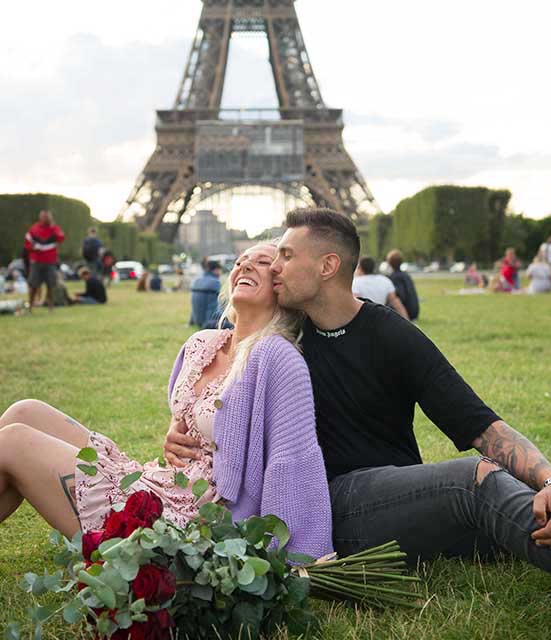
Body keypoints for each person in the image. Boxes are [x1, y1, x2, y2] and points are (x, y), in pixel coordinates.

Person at [165, 208, 551, 574]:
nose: (275, 268)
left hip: (394, 497)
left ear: (327, 266)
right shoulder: (277, 340)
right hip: (325, 504)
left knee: (493, 511)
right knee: (474, 481)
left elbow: (480, 424)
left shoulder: (389, 333)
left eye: (285, 256)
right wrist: (180, 433)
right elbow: (223, 406)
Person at [0, 243, 333, 559]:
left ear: (282, 287)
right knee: (24, 410)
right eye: (240, 261)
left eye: (262, 262)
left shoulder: (278, 356)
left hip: (192, 519)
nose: (244, 264)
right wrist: (173, 437)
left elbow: (292, 459)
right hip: (164, 482)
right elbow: (188, 425)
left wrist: (294, 554)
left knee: (11, 442)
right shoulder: (203, 343)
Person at [23, 211, 65, 314]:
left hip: (50, 261)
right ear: (40, 218)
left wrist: (53, 228)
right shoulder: (34, 229)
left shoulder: (55, 228)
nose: (46, 219)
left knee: (51, 285)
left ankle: (51, 307)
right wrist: (33, 249)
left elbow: (61, 238)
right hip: (36, 261)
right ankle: (30, 306)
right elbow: (27, 244)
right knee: (33, 285)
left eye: (48, 217)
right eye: (44, 217)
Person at [385, 250, 420, 321]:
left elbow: (401, 297)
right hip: (414, 312)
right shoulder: (406, 275)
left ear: (389, 263)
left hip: (407, 313)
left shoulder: (394, 278)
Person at [189, 260, 223, 328]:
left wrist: (191, 322)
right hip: (209, 322)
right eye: (219, 270)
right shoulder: (215, 282)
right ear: (216, 270)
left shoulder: (196, 281)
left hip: (197, 321)